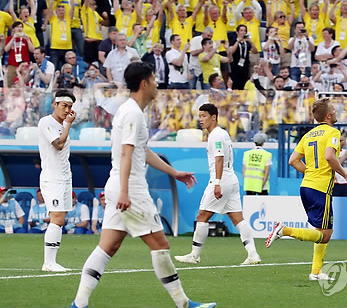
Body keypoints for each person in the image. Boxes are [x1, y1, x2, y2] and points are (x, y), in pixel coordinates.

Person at [70, 62, 215, 308]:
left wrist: (174, 172)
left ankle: (79, 304)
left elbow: (142, 150)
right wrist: (126, 191)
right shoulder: (133, 113)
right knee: (160, 244)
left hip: (120, 184)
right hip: (130, 187)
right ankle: (183, 303)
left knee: (108, 246)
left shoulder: (132, 111)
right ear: (144, 83)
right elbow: (127, 153)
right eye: (154, 79)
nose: (158, 84)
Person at [266, 98, 347, 280]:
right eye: (334, 109)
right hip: (320, 189)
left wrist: (310, 171)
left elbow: (292, 160)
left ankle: (316, 272)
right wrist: (346, 174)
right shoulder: (333, 132)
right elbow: (330, 157)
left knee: (322, 230)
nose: (336, 112)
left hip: (307, 186)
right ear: (329, 115)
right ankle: (285, 230)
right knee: (325, 235)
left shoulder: (308, 135)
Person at [175, 103, 261, 266]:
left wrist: (217, 183)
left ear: (213, 117)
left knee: (202, 216)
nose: (201, 119)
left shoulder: (215, 135)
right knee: (237, 219)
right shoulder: (222, 133)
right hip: (231, 179)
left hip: (221, 179)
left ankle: (194, 255)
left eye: (204, 116)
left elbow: (219, 158)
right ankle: (253, 254)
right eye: (200, 116)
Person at [38, 89, 77, 272]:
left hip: (64, 177)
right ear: (55, 104)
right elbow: (58, 145)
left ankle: (52, 261)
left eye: (70, 106)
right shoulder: (46, 122)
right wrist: (68, 124)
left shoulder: (63, 124)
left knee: (60, 219)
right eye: (64, 106)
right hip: (52, 178)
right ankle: (49, 263)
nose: (67, 110)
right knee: (57, 218)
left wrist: (67, 124)